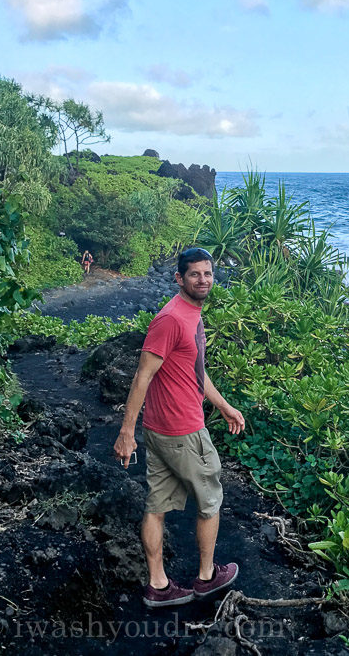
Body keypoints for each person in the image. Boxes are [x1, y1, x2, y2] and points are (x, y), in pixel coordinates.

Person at [113, 247, 245, 608]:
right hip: (181, 430)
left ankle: (158, 586)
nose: (203, 280)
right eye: (194, 274)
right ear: (179, 278)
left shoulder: (191, 316)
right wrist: (126, 432)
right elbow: (143, 375)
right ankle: (206, 577)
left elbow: (195, 372)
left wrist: (225, 407)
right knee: (211, 499)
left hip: (161, 428)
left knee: (156, 505)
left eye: (208, 274)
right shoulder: (171, 319)